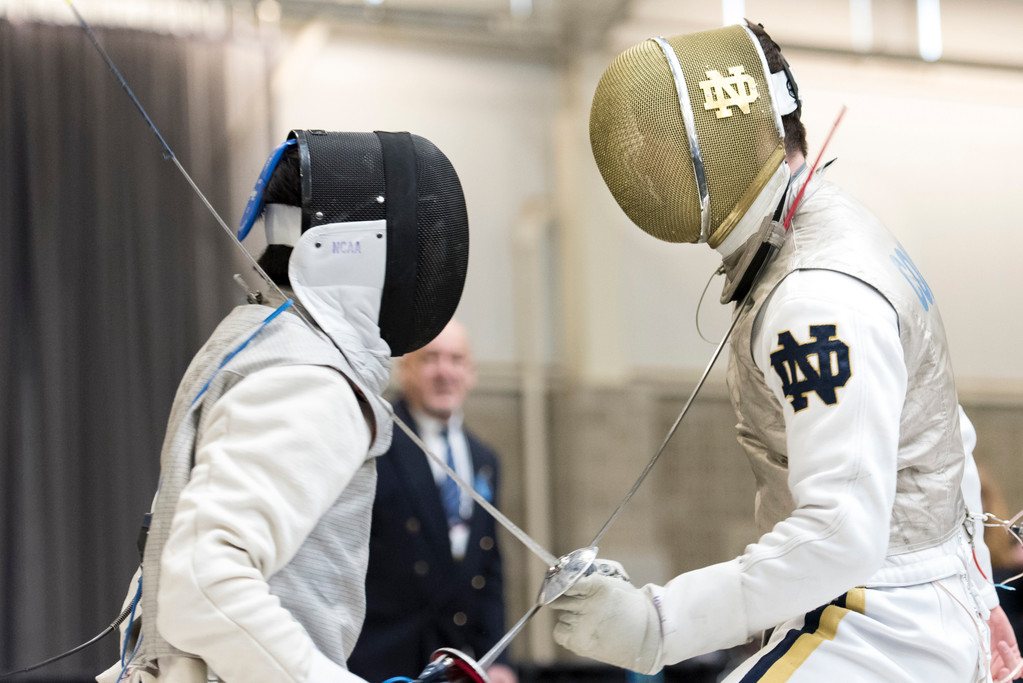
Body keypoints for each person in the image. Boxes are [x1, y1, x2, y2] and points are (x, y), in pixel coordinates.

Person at [549, 21, 1022, 682]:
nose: (651, 165)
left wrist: (660, 622)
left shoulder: (814, 295)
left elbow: (841, 533)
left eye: (668, 145)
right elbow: (941, 439)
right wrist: (971, 591)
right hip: (905, 606)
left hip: (876, 620)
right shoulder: (839, 229)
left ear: (738, 132)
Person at [97, 129, 469, 683]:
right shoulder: (311, 378)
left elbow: (179, 553)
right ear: (368, 246)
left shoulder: (262, 344)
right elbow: (202, 581)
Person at [348, 319, 518, 683]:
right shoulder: (373, 441)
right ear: (404, 369)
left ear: (471, 373)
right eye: (430, 359)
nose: (445, 372)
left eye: (456, 360)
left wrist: (498, 659)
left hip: (451, 664)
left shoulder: (485, 459)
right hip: (378, 662)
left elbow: (489, 569)